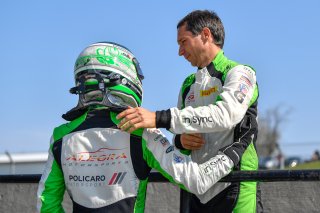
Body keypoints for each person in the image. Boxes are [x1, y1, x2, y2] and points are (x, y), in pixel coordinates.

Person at [37, 41, 238, 213]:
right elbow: (196, 180)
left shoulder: (60, 137)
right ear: (123, 75)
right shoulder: (141, 130)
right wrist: (236, 149)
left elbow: (46, 204)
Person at [117, 10, 262, 212]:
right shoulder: (188, 85)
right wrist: (180, 141)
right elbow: (178, 135)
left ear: (205, 35)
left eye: (183, 42)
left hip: (235, 184)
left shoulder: (239, 72)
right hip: (195, 190)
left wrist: (158, 118)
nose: (180, 52)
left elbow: (227, 115)